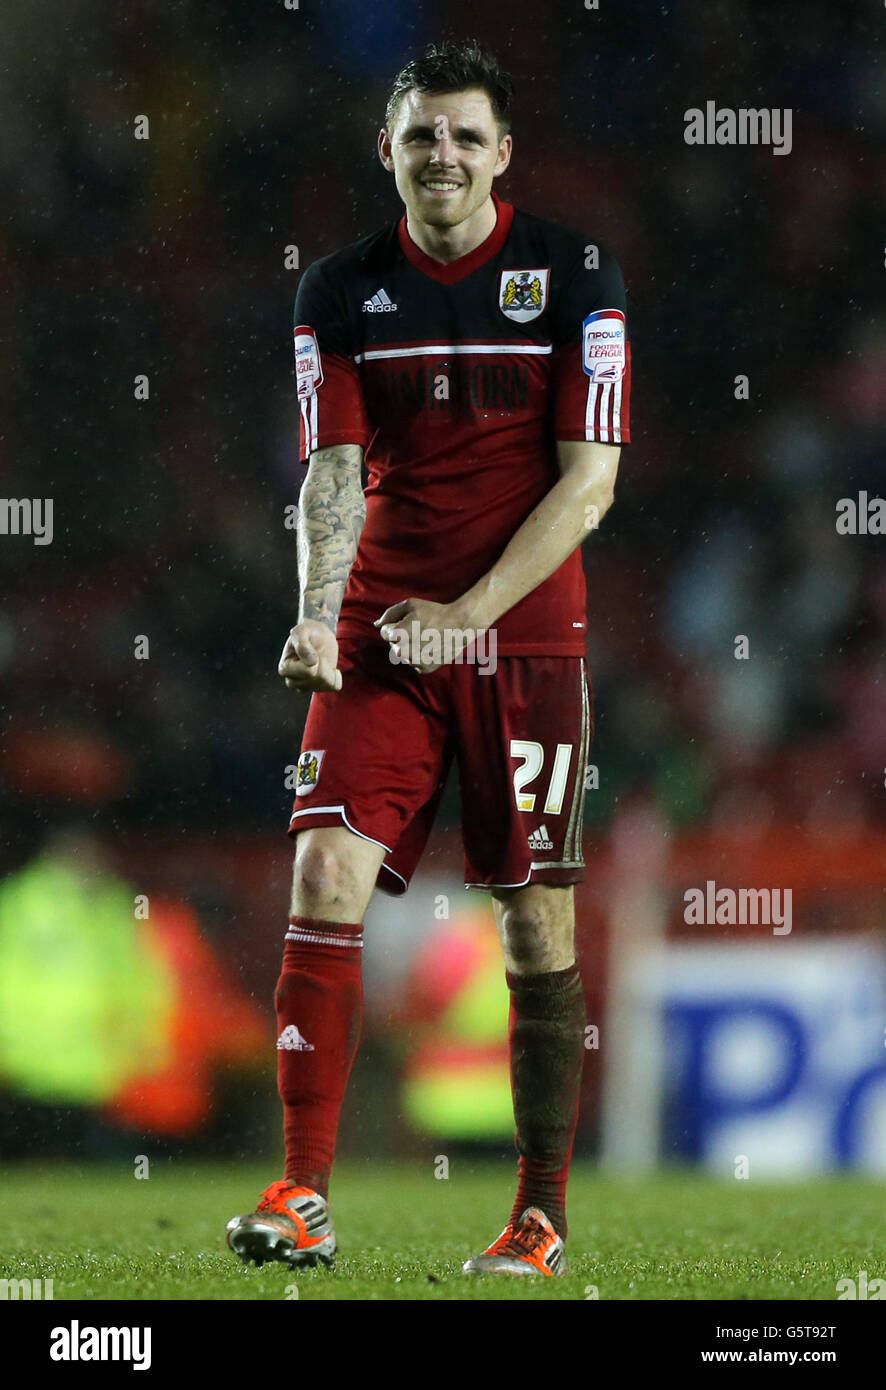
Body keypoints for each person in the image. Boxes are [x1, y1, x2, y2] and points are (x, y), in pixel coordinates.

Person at [226, 38, 631, 1278]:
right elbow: (332, 472)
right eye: (419, 135)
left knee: (532, 923)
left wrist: (472, 606)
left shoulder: (576, 275)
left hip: (526, 637)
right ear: (387, 152)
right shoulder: (339, 291)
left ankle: (538, 1212)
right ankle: (302, 1191)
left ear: (502, 153)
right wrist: (315, 609)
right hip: (383, 637)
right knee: (323, 875)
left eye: (464, 134)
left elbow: (590, 484)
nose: (440, 154)